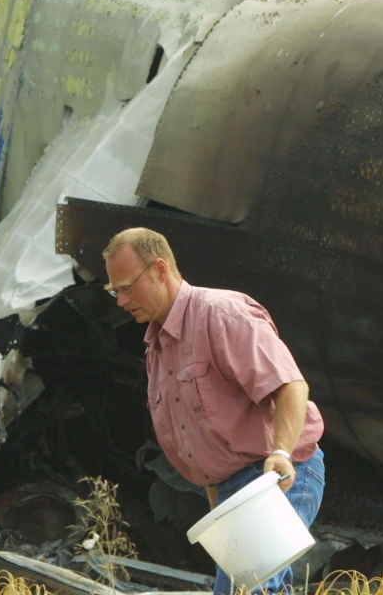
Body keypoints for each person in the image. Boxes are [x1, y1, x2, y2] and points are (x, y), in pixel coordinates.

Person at [103, 227, 325, 595]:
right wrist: (217, 501)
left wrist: (282, 454)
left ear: (160, 269)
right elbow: (201, 441)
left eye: (126, 287)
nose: (120, 302)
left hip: (275, 477)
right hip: (232, 492)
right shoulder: (157, 345)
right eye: (114, 291)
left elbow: (291, 386)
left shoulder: (222, 313)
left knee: (246, 590)